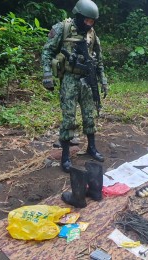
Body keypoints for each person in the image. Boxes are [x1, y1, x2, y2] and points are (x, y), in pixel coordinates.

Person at [41, 0, 108, 173]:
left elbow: (99, 60)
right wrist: (47, 74)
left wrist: (103, 80)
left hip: (87, 80)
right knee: (69, 118)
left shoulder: (92, 35)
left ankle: (91, 148)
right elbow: (47, 51)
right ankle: (65, 155)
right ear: (78, 16)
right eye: (86, 20)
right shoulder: (62, 28)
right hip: (69, 79)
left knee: (89, 115)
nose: (89, 24)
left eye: (92, 22)